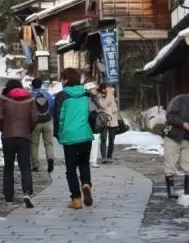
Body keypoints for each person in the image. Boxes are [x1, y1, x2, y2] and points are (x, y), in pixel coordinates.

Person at [54, 68, 96, 209]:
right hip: (85, 134)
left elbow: (59, 117)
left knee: (71, 168)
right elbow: (93, 113)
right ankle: (85, 183)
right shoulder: (86, 94)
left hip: (69, 136)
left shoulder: (62, 96)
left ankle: (76, 199)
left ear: (66, 80)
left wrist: (57, 133)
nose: (61, 81)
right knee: (84, 163)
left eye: (62, 78)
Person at [0, 79, 39, 207]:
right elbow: (35, 117)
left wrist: (5, 128)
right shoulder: (29, 99)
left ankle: (9, 197)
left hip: (8, 137)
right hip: (24, 137)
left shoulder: (4, 99)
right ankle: (27, 192)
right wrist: (28, 129)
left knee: (8, 167)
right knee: (25, 166)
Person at [29, 77, 57, 174]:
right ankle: (50, 158)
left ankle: (35, 165)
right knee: (49, 143)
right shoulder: (47, 95)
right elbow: (53, 107)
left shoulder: (30, 95)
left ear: (32, 86)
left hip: (35, 123)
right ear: (41, 85)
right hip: (47, 121)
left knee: (34, 145)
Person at [96, 81, 121, 164]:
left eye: (110, 87)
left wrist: (110, 96)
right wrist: (109, 95)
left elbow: (114, 108)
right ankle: (104, 157)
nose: (110, 89)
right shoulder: (99, 97)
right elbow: (103, 105)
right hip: (104, 120)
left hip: (113, 120)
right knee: (103, 139)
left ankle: (109, 156)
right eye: (108, 87)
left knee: (111, 139)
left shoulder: (111, 96)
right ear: (103, 89)